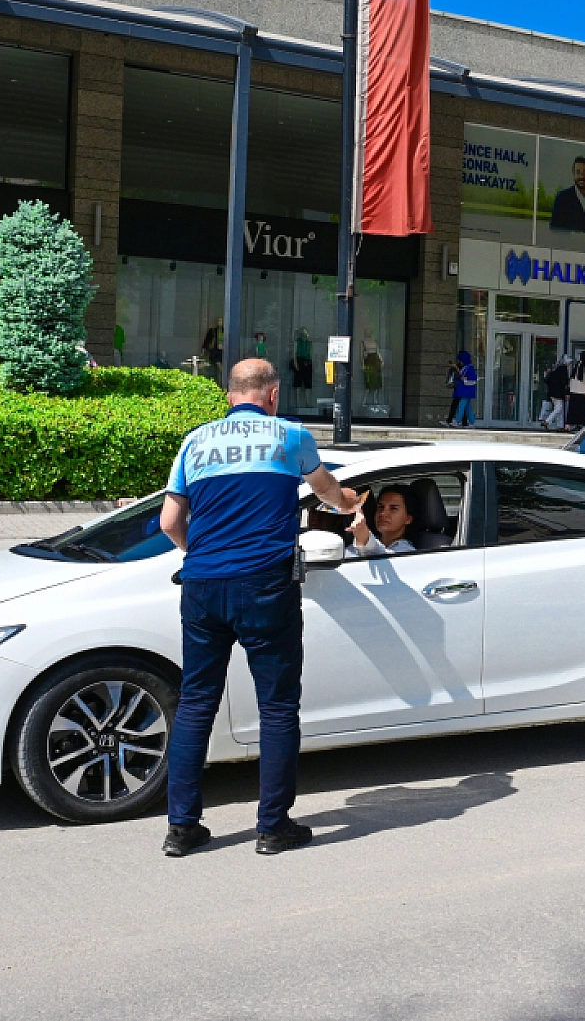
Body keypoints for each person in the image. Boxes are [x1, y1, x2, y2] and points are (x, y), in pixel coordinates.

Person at [157, 358, 360, 859]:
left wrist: (198, 556)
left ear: (230, 398)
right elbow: (327, 492)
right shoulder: (291, 436)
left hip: (203, 585)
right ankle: (273, 826)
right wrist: (348, 503)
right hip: (266, 585)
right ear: (271, 396)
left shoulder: (195, 441)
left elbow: (167, 520)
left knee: (197, 702)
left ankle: (182, 829)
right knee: (276, 704)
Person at [345, 486, 417, 558]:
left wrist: (363, 535)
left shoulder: (408, 553)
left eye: (393, 508)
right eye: (381, 507)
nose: (383, 513)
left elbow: (382, 557)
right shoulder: (372, 540)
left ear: (408, 519)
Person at [549, 156, 585, 236]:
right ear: (573, 174)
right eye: (578, 172)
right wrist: (572, 235)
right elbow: (554, 229)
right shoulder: (562, 197)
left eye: (584, 172)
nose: (581, 176)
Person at [566, 350, 585, 429]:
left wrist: (569, 392)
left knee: (573, 410)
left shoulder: (576, 365)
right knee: (584, 411)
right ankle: (583, 425)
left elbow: (572, 380)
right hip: (582, 392)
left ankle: (569, 425)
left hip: (574, 391)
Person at [539, 354, 570, 430]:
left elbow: (548, 380)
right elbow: (565, 382)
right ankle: (547, 421)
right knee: (558, 409)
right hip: (558, 393)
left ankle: (560, 426)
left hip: (552, 392)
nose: (569, 364)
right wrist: (567, 393)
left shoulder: (555, 369)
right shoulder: (563, 369)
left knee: (559, 409)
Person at [450, 350, 477, 426]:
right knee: (468, 408)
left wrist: (465, 379)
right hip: (465, 390)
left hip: (466, 390)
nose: (460, 362)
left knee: (461, 406)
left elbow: (473, 378)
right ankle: (472, 422)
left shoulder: (469, 368)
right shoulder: (467, 367)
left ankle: (458, 421)